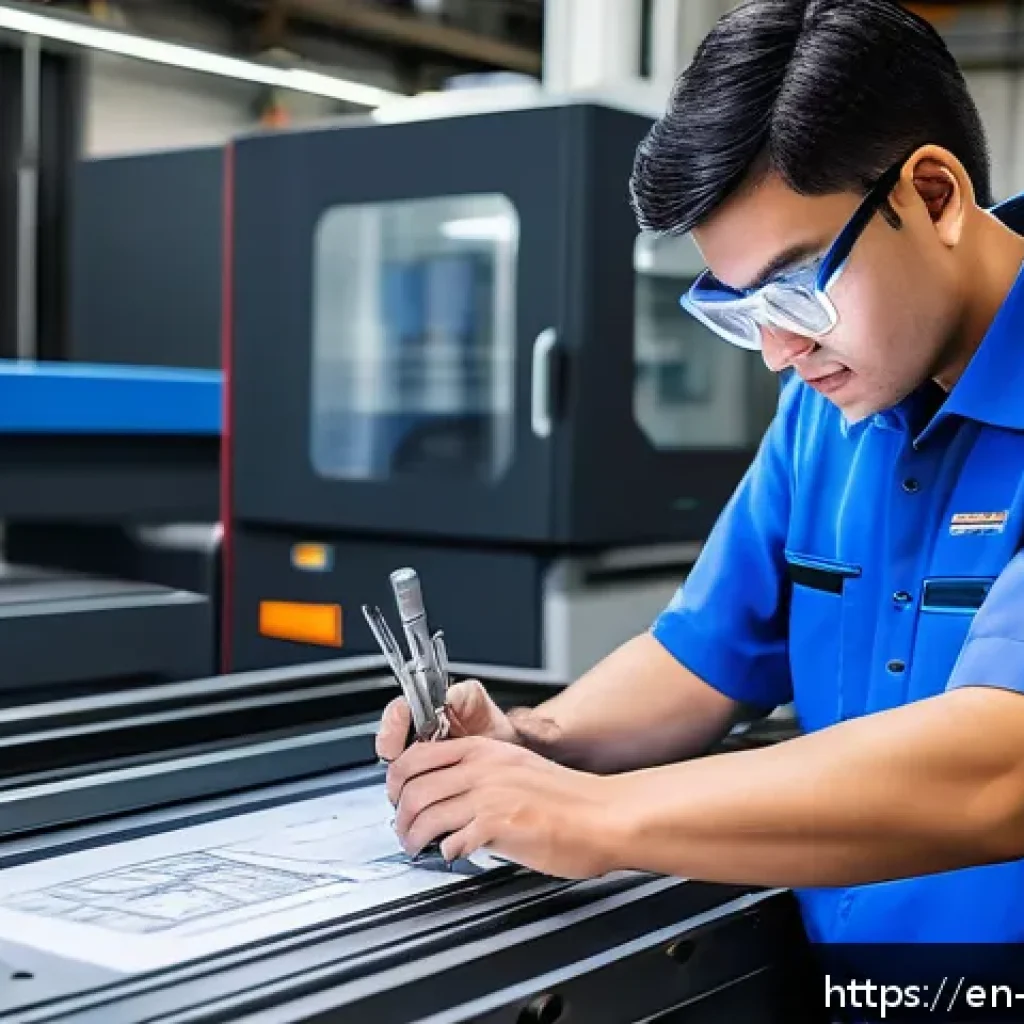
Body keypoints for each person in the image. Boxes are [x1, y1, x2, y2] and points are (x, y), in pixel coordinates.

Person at [377, 0, 1024, 946]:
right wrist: (533, 744)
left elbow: (996, 769)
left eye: (797, 287)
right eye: (738, 308)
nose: (774, 349)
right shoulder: (827, 406)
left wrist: (589, 818)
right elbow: (704, 652)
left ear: (932, 196)